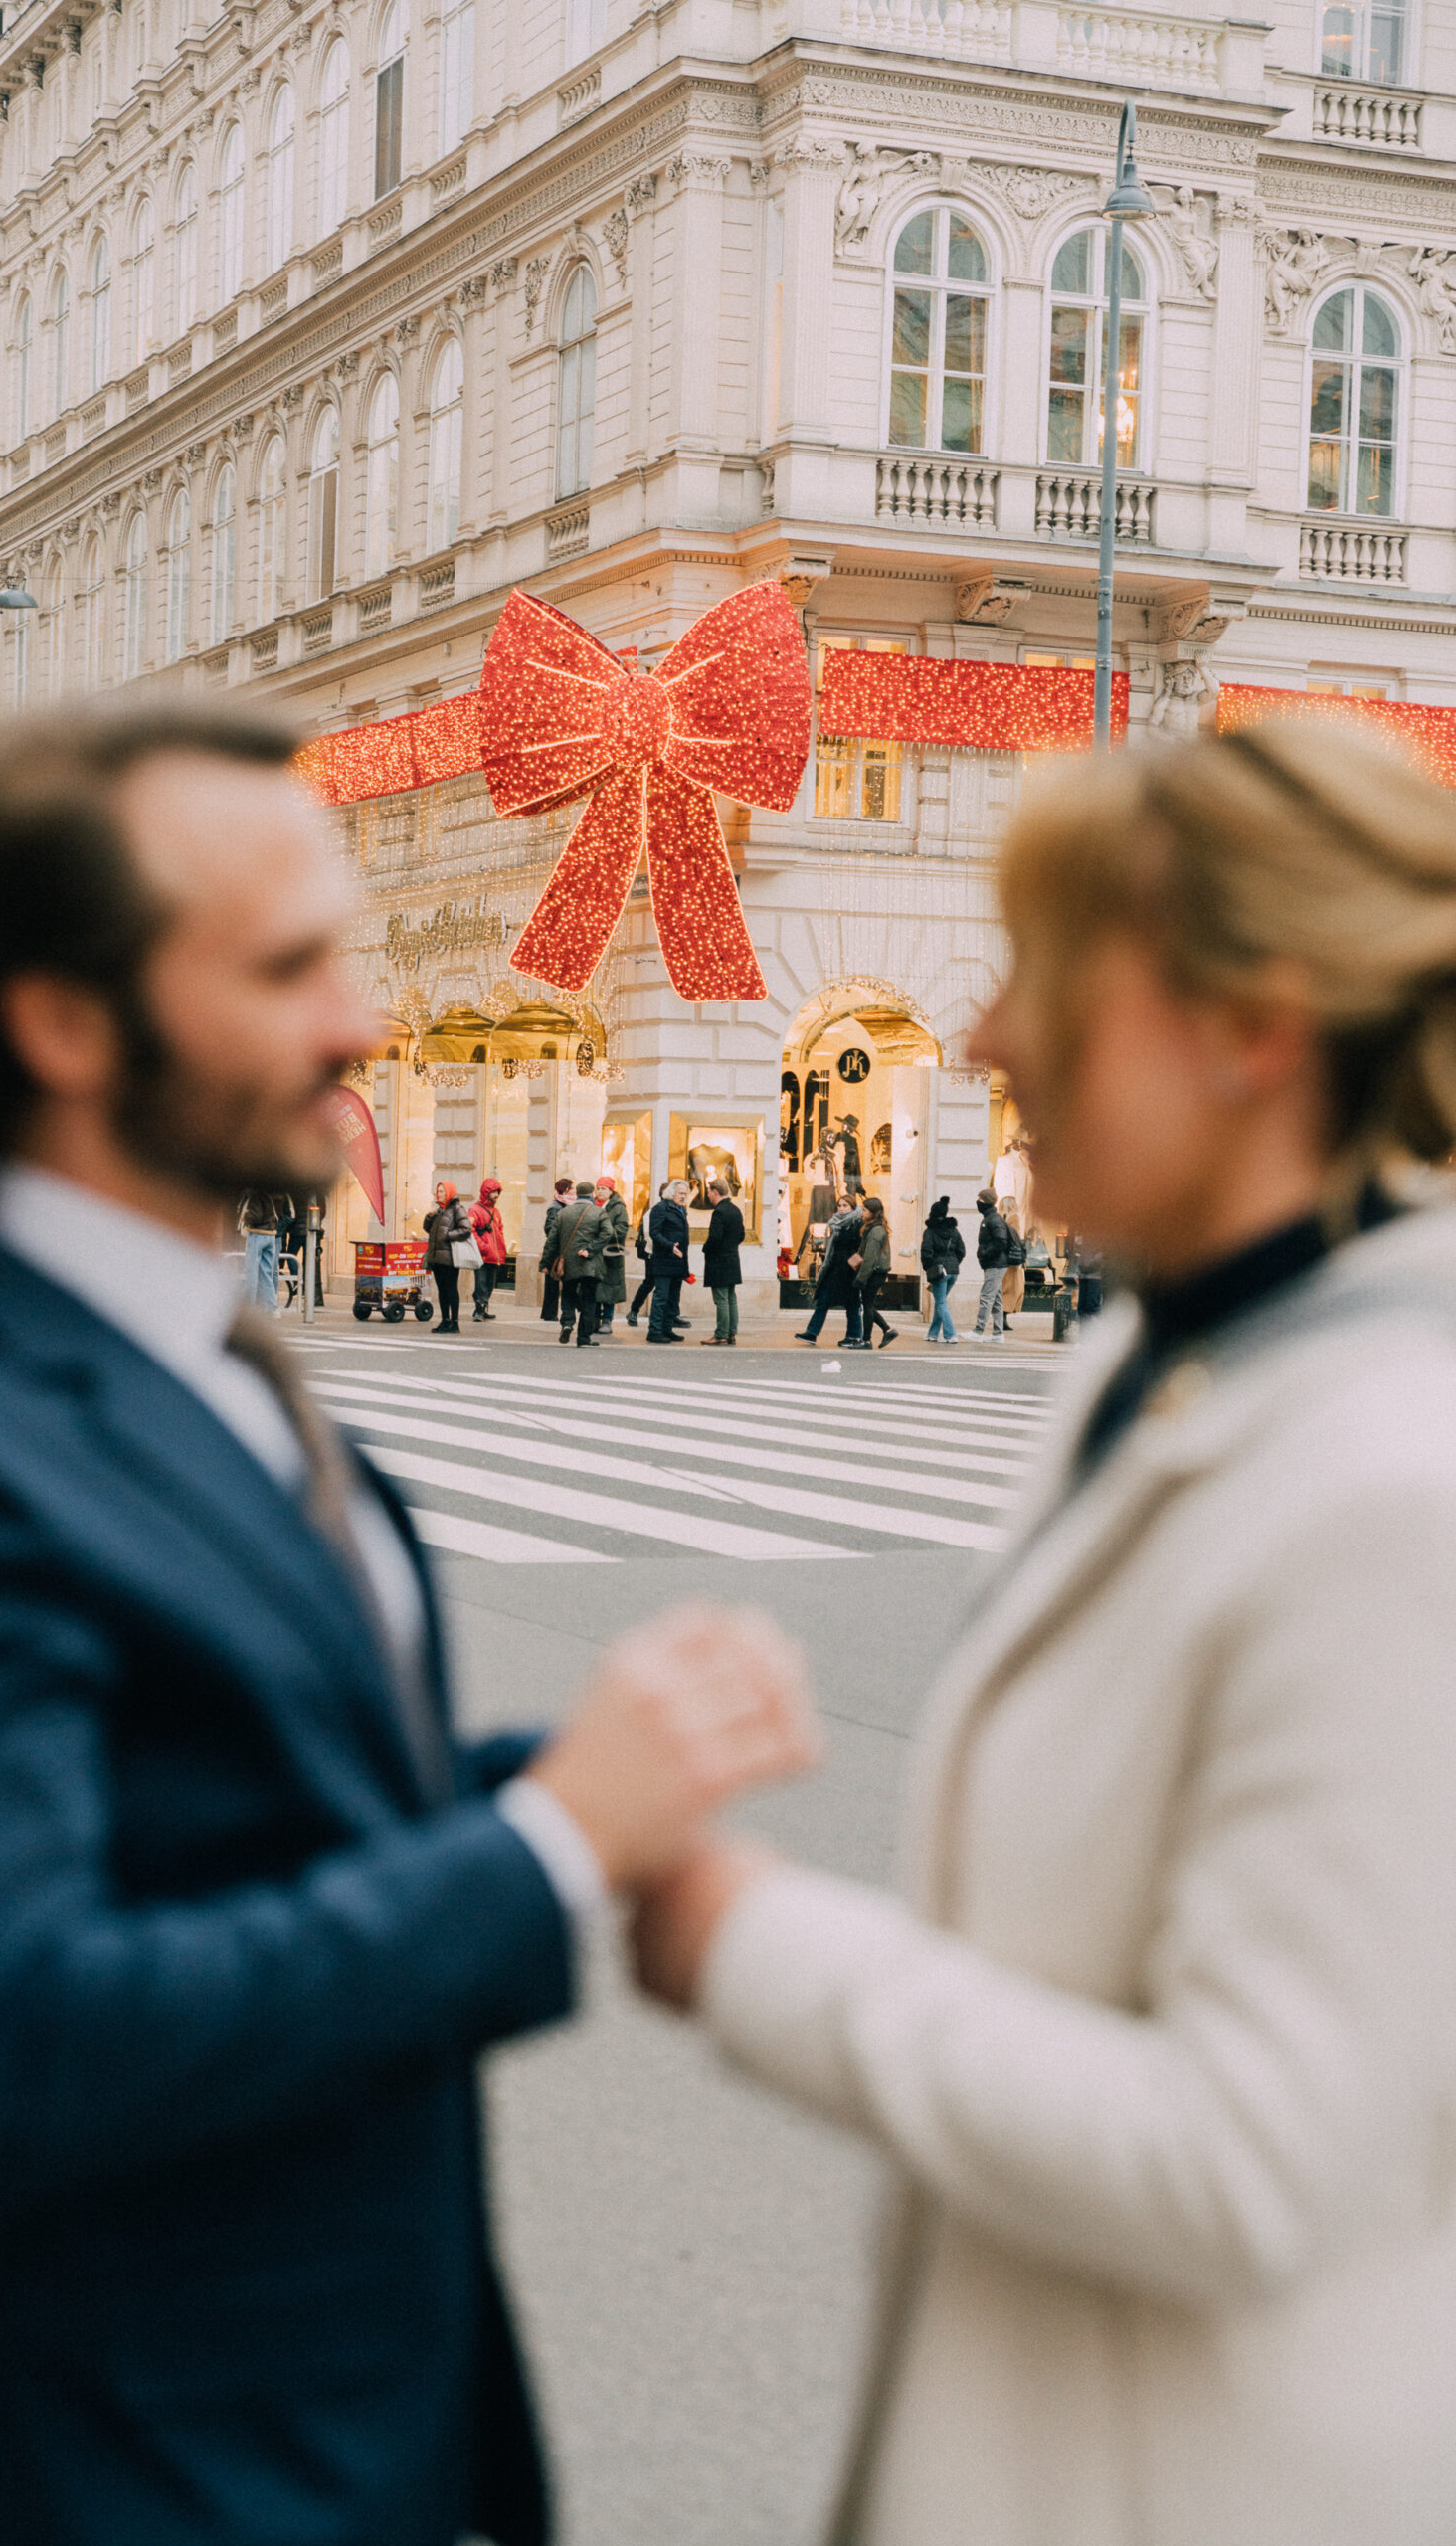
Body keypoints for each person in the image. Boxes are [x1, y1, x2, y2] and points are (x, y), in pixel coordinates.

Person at [0, 700, 819, 2546]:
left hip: (371, 2434)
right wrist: (551, 1837)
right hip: (161, 2479)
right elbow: (35, 2049)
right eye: (286, 967)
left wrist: (582, 1787)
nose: (356, 1022)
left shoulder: (198, 1339)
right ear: (65, 1021)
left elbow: (267, 1792)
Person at [633, 717, 1456, 2546]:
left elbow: (1248, 2159)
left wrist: (751, 1942)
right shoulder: (1154, 1367)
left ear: (1255, 1026)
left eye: (1043, 976)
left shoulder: (1396, 1484)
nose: (988, 1038)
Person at [540, 1178, 607, 1346]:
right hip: (590, 1264)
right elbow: (607, 1233)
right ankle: (584, 1337)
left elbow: (552, 1240)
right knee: (589, 1299)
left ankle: (568, 1323)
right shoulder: (598, 1212)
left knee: (568, 1294)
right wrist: (590, 1249)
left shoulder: (564, 1213)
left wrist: (546, 1263)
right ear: (591, 1194)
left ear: (577, 1194)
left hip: (568, 1264)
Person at [798, 1194, 864, 1348]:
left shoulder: (857, 1224)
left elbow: (858, 1249)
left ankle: (854, 1335)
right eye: (840, 1206)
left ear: (853, 1208)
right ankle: (811, 1332)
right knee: (823, 1300)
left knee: (852, 1304)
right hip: (834, 1269)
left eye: (845, 1206)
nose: (841, 1209)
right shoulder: (836, 1224)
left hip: (849, 1271)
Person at [423, 1179, 472, 1335]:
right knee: (441, 1291)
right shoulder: (438, 1211)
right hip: (436, 1258)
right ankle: (445, 1321)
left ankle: (455, 1322)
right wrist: (429, 1217)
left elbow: (466, 1230)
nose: (438, 1194)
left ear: (449, 1192)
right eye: (437, 1192)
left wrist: (448, 1235)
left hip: (449, 1259)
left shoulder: (457, 1209)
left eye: (441, 1191)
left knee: (451, 1289)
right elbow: (427, 1229)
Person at [644, 1179, 691, 1343]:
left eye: (685, 1194)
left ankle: (667, 1328)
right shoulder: (661, 1209)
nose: (684, 1197)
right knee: (661, 1297)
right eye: (681, 1193)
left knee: (673, 1298)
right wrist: (670, 1246)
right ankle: (655, 1330)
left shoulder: (681, 1210)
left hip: (678, 1262)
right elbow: (655, 1233)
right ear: (672, 1193)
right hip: (664, 1261)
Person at [700, 1177, 744, 1346]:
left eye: (709, 1192)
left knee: (721, 1299)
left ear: (715, 1192)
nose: (708, 1195)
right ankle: (732, 1332)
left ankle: (721, 1333)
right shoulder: (735, 1210)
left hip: (719, 1260)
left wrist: (706, 1249)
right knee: (731, 1297)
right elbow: (741, 1235)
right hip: (732, 1258)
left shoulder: (719, 1212)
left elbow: (715, 1238)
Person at [970, 1185, 1011, 1341]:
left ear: (986, 1202)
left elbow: (1001, 1241)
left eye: (980, 1200)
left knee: (986, 1297)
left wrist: (985, 1253)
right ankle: (998, 1333)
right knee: (996, 1299)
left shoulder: (993, 1220)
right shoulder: (991, 1218)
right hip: (995, 1264)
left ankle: (978, 1330)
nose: (977, 1203)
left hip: (995, 1264)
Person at [920, 1193, 964, 1342]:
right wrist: (953, 1263)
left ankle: (950, 1334)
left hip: (939, 1271)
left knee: (940, 1302)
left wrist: (929, 1268)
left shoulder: (930, 1232)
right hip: (953, 1270)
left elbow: (926, 1253)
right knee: (941, 1301)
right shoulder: (954, 1230)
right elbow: (961, 1251)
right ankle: (932, 1333)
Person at [854, 1194, 895, 1349]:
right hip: (876, 1272)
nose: (862, 1213)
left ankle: (867, 1340)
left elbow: (869, 1258)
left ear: (873, 1213)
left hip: (874, 1273)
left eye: (864, 1210)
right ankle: (888, 1330)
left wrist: (861, 1278)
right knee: (868, 1304)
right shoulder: (874, 1229)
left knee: (868, 1305)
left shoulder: (875, 1232)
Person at [238, 1187, 286, 1312]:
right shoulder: (277, 1193)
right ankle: (272, 1308)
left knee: (251, 1274)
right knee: (266, 1274)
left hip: (257, 1234)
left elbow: (256, 1216)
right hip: (271, 1235)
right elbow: (281, 1215)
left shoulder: (255, 1193)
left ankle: (249, 1309)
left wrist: (246, 1218)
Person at [593, 1174, 629, 1335]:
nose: (600, 1192)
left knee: (609, 1289)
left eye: (603, 1189)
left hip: (610, 1254)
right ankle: (593, 1319)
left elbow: (621, 1229)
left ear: (611, 1191)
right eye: (598, 1188)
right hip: (594, 1254)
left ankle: (607, 1320)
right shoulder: (592, 1205)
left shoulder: (618, 1208)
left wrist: (603, 1233)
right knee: (594, 1288)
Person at [468, 1176, 507, 1322]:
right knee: (481, 1282)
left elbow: (500, 1231)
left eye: (498, 1192)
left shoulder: (495, 1212)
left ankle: (483, 1308)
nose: (496, 1195)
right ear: (486, 1192)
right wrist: (483, 1247)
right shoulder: (475, 1210)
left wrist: (501, 1249)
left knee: (490, 1283)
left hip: (493, 1254)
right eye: (494, 1192)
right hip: (483, 1254)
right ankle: (479, 1309)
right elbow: (470, 1231)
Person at [539, 1177, 573, 1323]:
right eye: (571, 1189)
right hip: (556, 1250)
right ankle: (549, 1313)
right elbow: (549, 1228)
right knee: (552, 1282)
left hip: (562, 1250)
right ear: (565, 1190)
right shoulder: (555, 1207)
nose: (574, 1191)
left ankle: (552, 1312)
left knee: (558, 1282)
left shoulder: (566, 1205)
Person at [625, 1198, 656, 1328]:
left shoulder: (678, 1210)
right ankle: (634, 1310)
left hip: (666, 1254)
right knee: (649, 1282)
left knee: (666, 1284)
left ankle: (673, 1314)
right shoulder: (653, 1211)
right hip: (652, 1253)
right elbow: (649, 1234)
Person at [999, 1195, 1026, 1333]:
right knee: (1014, 1289)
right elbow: (1016, 1238)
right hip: (1013, 1261)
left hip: (1002, 1259)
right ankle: (1003, 1317)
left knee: (1004, 1288)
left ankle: (1002, 1318)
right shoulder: (1015, 1217)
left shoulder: (999, 1218)